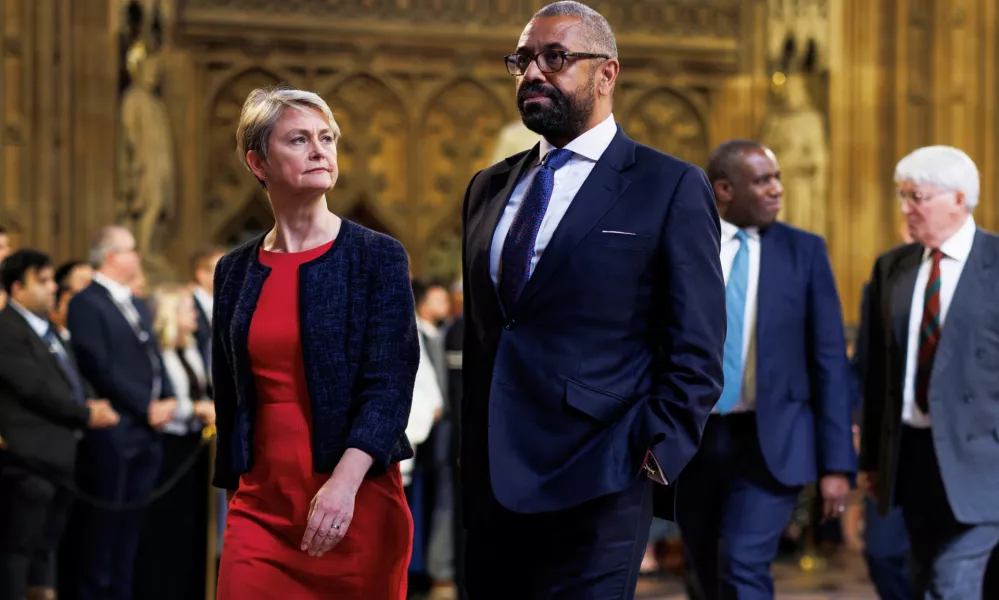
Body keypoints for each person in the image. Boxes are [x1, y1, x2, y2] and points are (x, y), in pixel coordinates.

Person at [459, 2, 726, 598]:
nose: (533, 73)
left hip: (600, 474)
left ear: (606, 74)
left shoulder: (669, 185)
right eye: (523, 59)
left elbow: (697, 342)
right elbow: (489, 333)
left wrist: (653, 456)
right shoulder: (489, 187)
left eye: (556, 58)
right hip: (491, 480)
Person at [212, 86, 419, 600]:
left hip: (356, 498)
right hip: (260, 505)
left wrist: (345, 485)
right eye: (299, 140)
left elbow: (390, 385)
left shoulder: (376, 256)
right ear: (258, 162)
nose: (319, 150)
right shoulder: (234, 270)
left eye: (326, 138)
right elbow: (230, 391)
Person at [674, 139, 855, 598]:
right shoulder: (684, 244)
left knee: (743, 563)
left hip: (773, 439)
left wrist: (837, 464)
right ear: (724, 189)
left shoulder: (804, 251)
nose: (777, 189)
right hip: (693, 440)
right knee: (704, 571)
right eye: (762, 180)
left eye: (776, 178)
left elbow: (830, 361)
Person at [860, 145, 999, 599]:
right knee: (917, 576)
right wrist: (872, 463)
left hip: (983, 460)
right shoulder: (892, 268)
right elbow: (877, 372)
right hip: (911, 458)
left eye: (917, 197)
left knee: (952, 583)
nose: (906, 209)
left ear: (959, 199)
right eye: (902, 197)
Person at [62, 225, 177, 600]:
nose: (137, 257)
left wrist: (170, 397)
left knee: (131, 534)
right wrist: (145, 405)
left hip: (146, 433)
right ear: (111, 256)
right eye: (131, 251)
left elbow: (154, 357)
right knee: (101, 534)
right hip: (116, 434)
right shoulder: (86, 302)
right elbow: (99, 365)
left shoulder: (135, 301)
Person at [0, 249, 119, 600]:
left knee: (46, 548)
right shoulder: (6, 329)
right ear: (17, 287)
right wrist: (85, 413)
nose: (54, 288)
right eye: (44, 281)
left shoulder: (49, 329)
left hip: (60, 458)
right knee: (17, 551)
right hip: (27, 462)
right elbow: (34, 386)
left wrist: (92, 399)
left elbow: (72, 376)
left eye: (53, 279)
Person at [134, 285, 216, 600]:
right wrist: (194, 409)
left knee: (190, 524)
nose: (195, 314)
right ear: (171, 315)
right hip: (168, 445)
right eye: (187, 309)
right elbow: (164, 402)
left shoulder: (193, 346)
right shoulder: (160, 351)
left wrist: (201, 408)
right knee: (164, 525)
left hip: (195, 443)